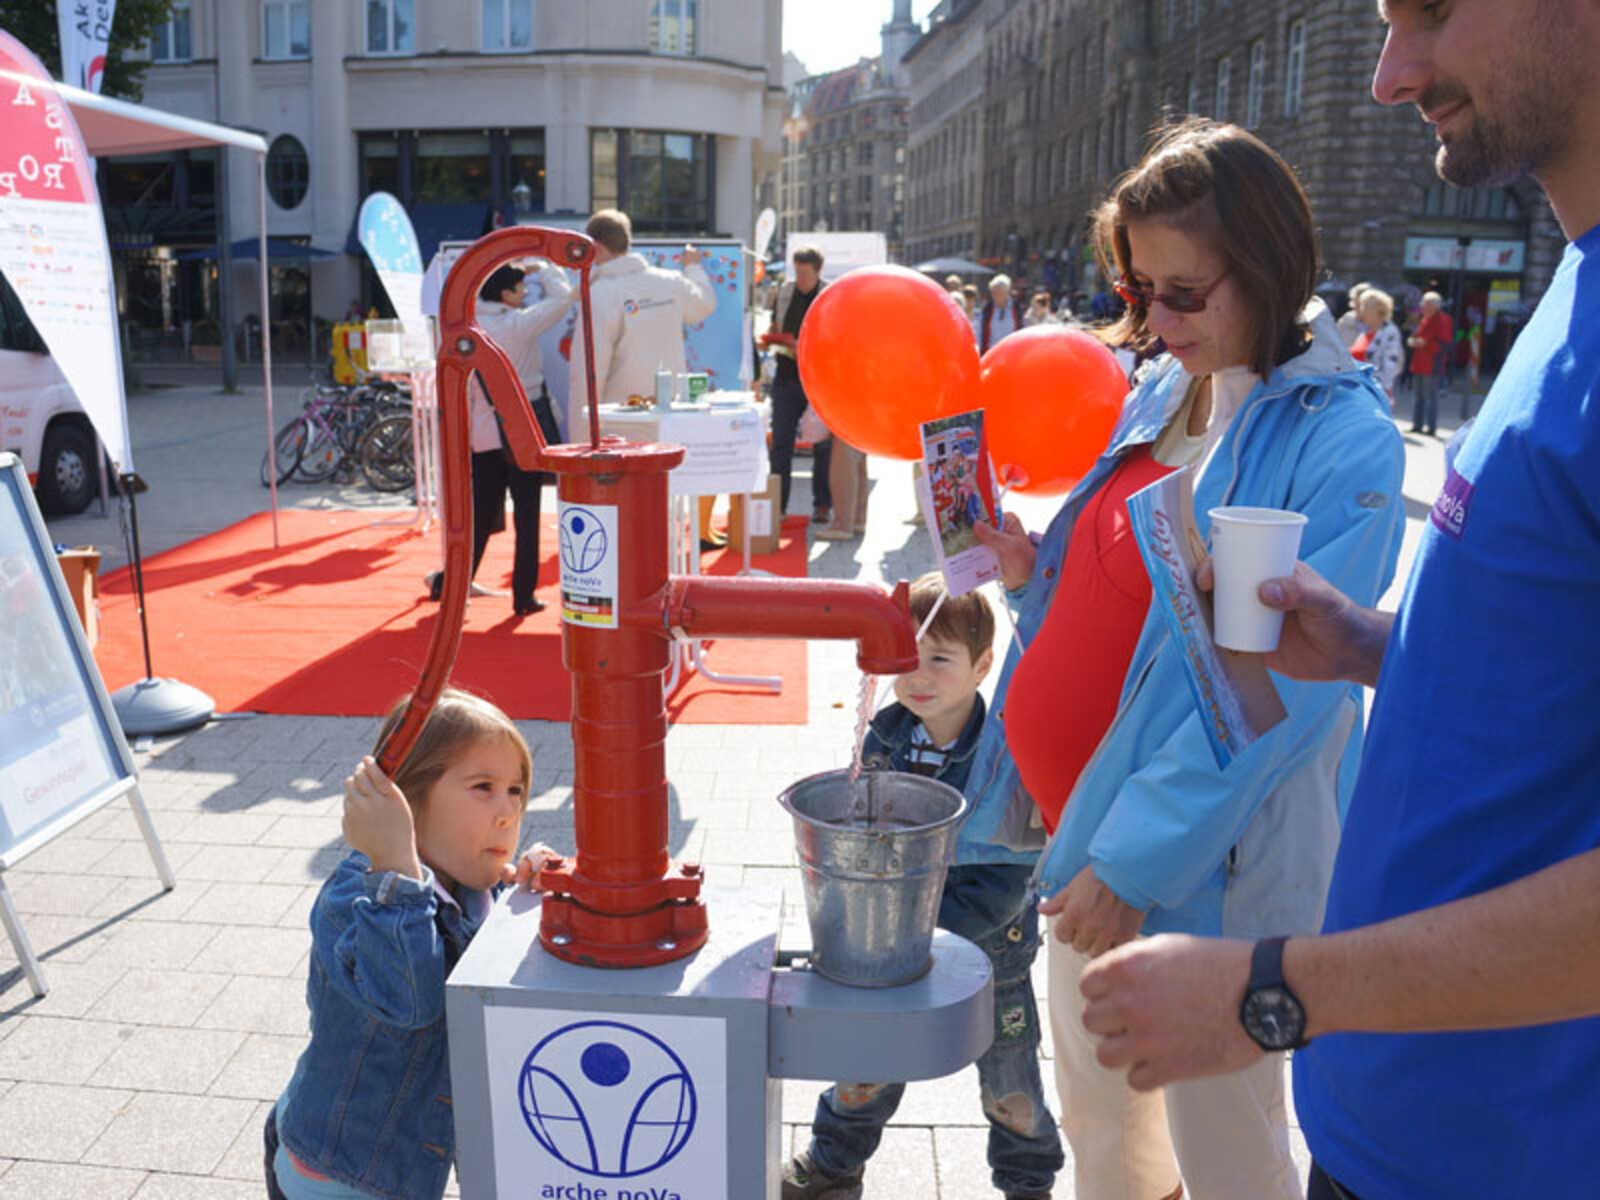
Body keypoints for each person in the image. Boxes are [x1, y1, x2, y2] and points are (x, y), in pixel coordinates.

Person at [1073, 4, 1600, 1199]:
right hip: (1401, 1124)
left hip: (1515, 1151)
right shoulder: (1572, 286)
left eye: (1431, 10)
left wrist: (1277, 987)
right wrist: (1374, 647)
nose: (1386, 75)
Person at [965, 117, 1404, 1200]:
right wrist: (1032, 579)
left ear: (1262, 266)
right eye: (1136, 291)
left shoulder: (1342, 439)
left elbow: (1279, 696)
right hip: (1088, 844)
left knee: (1225, 1154)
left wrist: (1134, 865)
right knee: (1110, 1144)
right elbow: (1131, 614)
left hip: (1204, 872)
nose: (1152, 323)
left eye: (1181, 293)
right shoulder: (1164, 388)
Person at [783, 572, 1064, 1200]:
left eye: (940, 658)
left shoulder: (1005, 754)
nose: (919, 674)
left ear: (983, 665)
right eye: (906, 654)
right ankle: (834, 1160)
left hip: (995, 954)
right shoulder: (885, 734)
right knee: (869, 1058)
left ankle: (1027, 1180)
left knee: (1009, 1077)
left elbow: (1011, 870)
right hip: (891, 944)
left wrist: (936, 931)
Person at [264, 688, 555, 1200]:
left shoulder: (473, 886)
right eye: (483, 787)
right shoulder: (357, 895)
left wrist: (528, 894)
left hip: (400, 1167)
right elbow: (409, 1000)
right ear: (406, 802)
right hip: (336, 1175)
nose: (508, 812)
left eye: (517, 790)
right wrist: (395, 862)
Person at [427, 261, 572, 615]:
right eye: (521, 288)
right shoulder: (518, 325)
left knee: (477, 518)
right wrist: (546, 268)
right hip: (523, 431)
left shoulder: (467, 327)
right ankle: (524, 596)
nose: (525, 294)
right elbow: (565, 296)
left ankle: (452, 586)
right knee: (527, 516)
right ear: (506, 294)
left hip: (484, 434)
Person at [565, 208, 716, 435]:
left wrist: (580, 441)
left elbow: (588, 373)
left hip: (619, 428)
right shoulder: (671, 282)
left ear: (595, 247)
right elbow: (704, 304)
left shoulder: (601, 293)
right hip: (669, 422)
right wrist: (693, 267)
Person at [766, 245, 834, 524]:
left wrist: (804, 347)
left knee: (822, 445)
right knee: (781, 442)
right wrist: (773, 338)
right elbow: (776, 323)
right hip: (786, 375)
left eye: (805, 273)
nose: (800, 279)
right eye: (797, 272)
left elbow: (834, 339)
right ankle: (778, 506)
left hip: (817, 381)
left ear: (818, 272)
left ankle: (822, 505)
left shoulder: (829, 296)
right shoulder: (784, 292)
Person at [1405, 290, 1453, 434]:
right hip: (1419, 363)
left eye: (1426, 305)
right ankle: (1417, 425)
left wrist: (1424, 343)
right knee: (1418, 397)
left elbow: (1445, 344)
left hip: (1432, 364)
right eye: (1423, 304)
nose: (1422, 307)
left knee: (1430, 398)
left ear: (1434, 306)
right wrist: (1414, 341)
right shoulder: (1424, 319)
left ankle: (1431, 427)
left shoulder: (1443, 320)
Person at [1349, 287, 1404, 403]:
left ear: (1378, 309)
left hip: (1375, 393)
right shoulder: (1364, 332)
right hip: (1359, 392)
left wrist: (1384, 392)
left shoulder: (1389, 332)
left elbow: (1390, 366)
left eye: (1365, 306)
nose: (1361, 310)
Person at [977, 273, 1025, 353]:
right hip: (991, 353)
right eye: (993, 292)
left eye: (997, 292)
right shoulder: (988, 309)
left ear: (1006, 292)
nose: (994, 295)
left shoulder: (1016, 309)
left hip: (1012, 353)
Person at [1334, 281, 1370, 348]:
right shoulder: (1346, 319)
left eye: (1364, 305)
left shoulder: (1377, 323)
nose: (1361, 308)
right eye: (1358, 304)